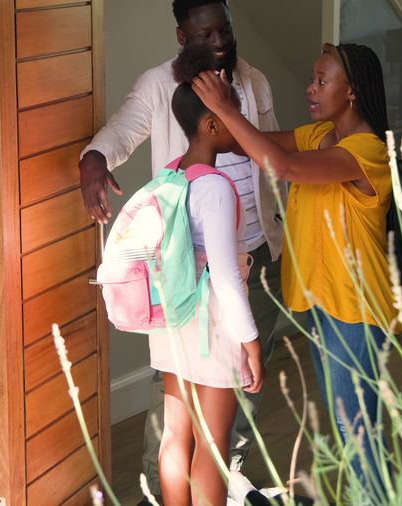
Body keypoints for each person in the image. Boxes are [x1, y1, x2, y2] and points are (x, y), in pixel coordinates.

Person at [79, 0, 284, 500]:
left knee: (234, 405)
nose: (219, 41)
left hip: (255, 251)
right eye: (205, 33)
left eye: (224, 29)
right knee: (189, 420)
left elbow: (271, 147)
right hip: (199, 282)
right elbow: (122, 132)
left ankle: (225, 485)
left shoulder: (252, 81)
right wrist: (94, 159)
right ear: (181, 36)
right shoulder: (161, 88)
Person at [192, 43, 399, 500]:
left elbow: (278, 164)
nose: (310, 87)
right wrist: (216, 110)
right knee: (350, 428)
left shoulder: (367, 151)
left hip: (358, 312)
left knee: (356, 433)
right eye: (313, 77)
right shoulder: (317, 136)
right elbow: (245, 147)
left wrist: (224, 108)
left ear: (352, 92)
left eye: (322, 80)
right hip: (323, 305)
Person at [153, 53, 265, 506]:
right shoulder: (216, 186)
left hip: (171, 320)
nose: (235, 124)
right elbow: (224, 275)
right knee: (214, 444)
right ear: (211, 126)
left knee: (176, 435)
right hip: (211, 327)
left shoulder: (169, 175)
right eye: (229, 115)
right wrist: (251, 339)